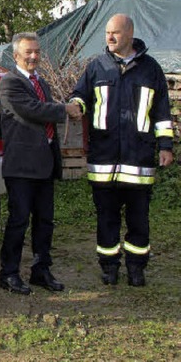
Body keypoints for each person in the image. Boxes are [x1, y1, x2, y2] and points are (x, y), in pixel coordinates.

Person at [70, 14, 174, 287]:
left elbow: (162, 113)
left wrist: (165, 146)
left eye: (115, 33)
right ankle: (109, 267)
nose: (109, 38)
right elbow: (79, 95)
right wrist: (76, 105)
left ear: (129, 34)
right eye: (107, 33)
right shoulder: (97, 67)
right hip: (103, 160)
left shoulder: (151, 70)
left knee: (139, 219)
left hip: (138, 160)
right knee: (106, 218)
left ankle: (136, 268)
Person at [0, 32, 82, 295]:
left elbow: (41, 110)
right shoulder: (8, 84)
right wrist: (63, 109)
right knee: (18, 221)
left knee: (45, 221)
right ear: (16, 56)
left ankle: (40, 270)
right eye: (28, 53)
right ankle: (8, 273)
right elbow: (32, 110)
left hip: (44, 164)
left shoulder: (41, 83)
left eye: (36, 52)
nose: (33, 56)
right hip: (21, 167)